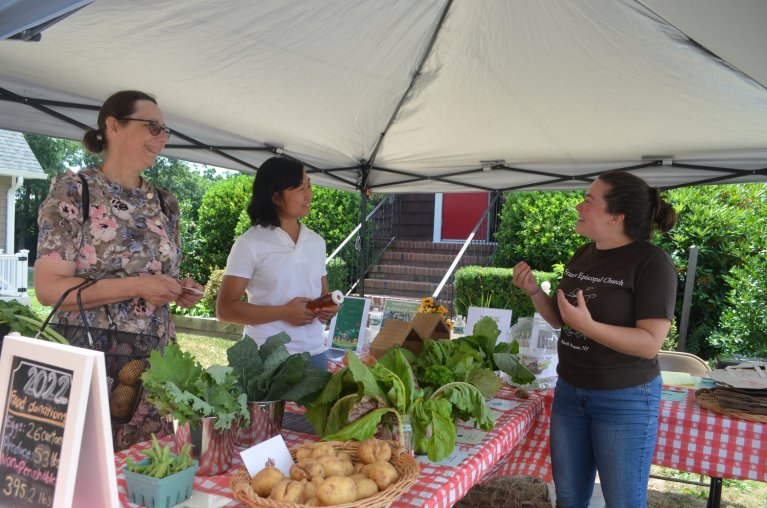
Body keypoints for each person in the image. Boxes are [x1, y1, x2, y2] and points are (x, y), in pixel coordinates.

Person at [35, 90, 204, 451]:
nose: (162, 137)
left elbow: (158, 274)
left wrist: (176, 288)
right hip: (93, 358)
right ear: (113, 126)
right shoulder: (74, 191)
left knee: (146, 467)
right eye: (153, 126)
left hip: (154, 364)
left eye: (165, 130)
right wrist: (140, 286)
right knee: (86, 465)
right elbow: (50, 290)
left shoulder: (165, 202)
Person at [512, 171, 677, 508]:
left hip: (624, 398)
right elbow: (563, 320)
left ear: (617, 216)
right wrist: (533, 292)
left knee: (623, 501)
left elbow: (649, 343)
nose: (579, 205)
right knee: (569, 498)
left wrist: (588, 327)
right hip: (571, 391)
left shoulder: (651, 263)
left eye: (588, 200)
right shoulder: (584, 254)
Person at [217, 156, 338, 369]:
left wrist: (327, 307)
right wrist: (285, 312)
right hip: (266, 358)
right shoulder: (250, 242)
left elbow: (322, 296)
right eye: (300, 188)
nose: (309, 194)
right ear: (275, 195)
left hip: (315, 354)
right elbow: (225, 309)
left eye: (309, 186)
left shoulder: (316, 242)